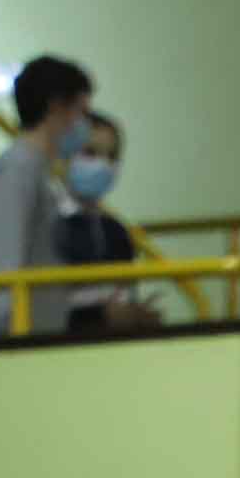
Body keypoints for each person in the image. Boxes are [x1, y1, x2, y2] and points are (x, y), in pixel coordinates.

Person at [0, 53, 91, 341]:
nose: (84, 128)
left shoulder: (45, 174)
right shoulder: (16, 170)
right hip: (6, 344)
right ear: (57, 108)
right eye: (81, 113)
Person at [52, 114, 161, 336]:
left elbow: (123, 295)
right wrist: (100, 315)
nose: (103, 165)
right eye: (90, 153)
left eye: (112, 156)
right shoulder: (46, 225)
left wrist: (136, 314)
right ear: (62, 156)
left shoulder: (116, 231)